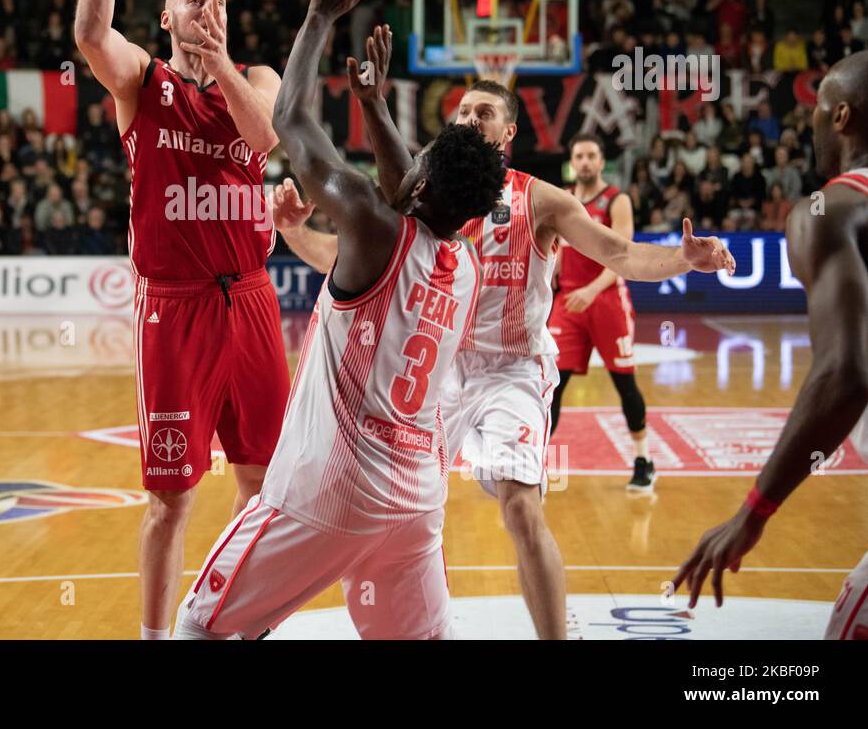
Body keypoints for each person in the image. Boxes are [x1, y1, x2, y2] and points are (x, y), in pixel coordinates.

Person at [275, 50, 736, 640]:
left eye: (484, 112)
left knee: (520, 503)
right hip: (439, 374)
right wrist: (293, 230)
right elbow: (352, 261)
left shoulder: (539, 198)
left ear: (509, 132)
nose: (468, 118)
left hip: (514, 371)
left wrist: (683, 260)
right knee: (408, 514)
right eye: (462, 110)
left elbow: (619, 254)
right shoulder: (421, 195)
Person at [176, 0, 505, 640]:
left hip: (328, 492)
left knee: (200, 625)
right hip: (415, 504)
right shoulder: (467, 264)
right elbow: (409, 188)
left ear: (420, 182)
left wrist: (320, 14)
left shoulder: (372, 225)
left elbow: (291, 122)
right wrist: (374, 104)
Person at [74, 0, 287, 640]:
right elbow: (90, 30)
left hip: (253, 301)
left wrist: (221, 59)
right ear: (164, 18)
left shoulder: (254, 77)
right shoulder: (141, 84)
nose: (208, 7)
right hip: (176, 311)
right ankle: (156, 637)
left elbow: (264, 136)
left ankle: (224, 615)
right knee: (171, 497)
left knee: (264, 484)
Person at [674, 50, 868, 640]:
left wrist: (753, 511)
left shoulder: (832, 208)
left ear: (840, 117)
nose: (806, 121)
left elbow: (847, 372)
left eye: (814, 107)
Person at [547, 134, 653, 489]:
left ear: (601, 160)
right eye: (580, 156)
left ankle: (644, 460)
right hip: (569, 302)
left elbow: (624, 255)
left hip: (606, 299)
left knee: (625, 383)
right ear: (572, 162)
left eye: (592, 155)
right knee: (552, 385)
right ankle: (536, 465)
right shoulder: (564, 199)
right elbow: (557, 250)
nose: (586, 162)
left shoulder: (616, 199)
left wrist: (592, 290)